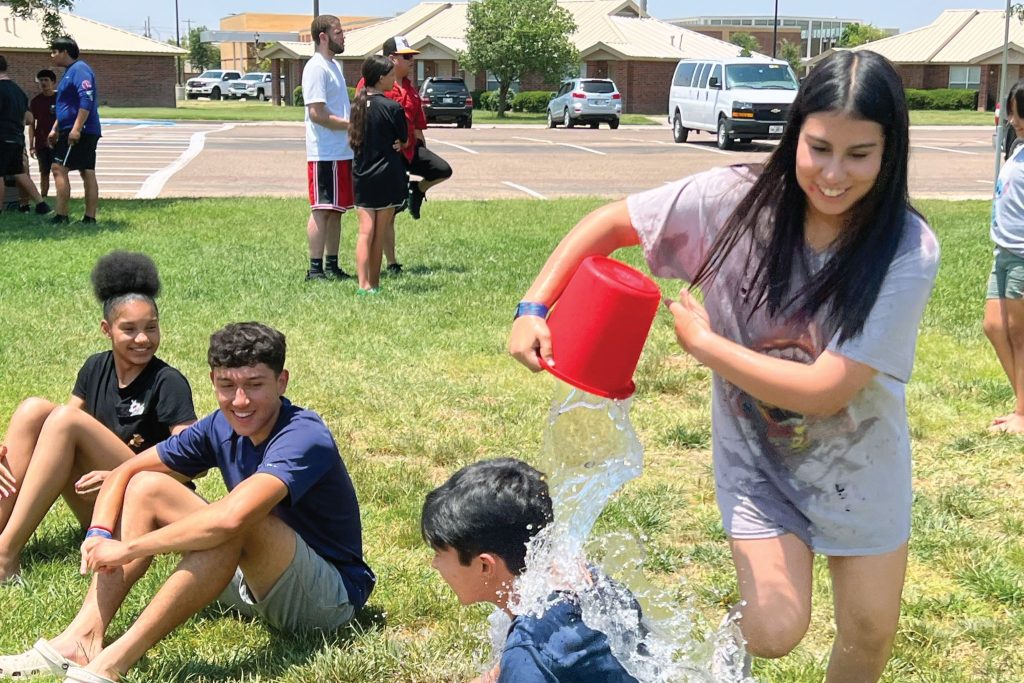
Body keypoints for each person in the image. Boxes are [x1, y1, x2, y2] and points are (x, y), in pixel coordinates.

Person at [508, 50, 940, 681]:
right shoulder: (729, 203)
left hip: (860, 463)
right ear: (795, 134)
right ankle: (723, 659)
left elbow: (827, 389)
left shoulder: (906, 247)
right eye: (819, 147)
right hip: (758, 459)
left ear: (889, 151)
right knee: (773, 627)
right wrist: (534, 306)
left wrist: (707, 346)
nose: (834, 174)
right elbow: (609, 224)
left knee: (870, 630)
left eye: (859, 154)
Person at [0, 322, 375, 682]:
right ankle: (81, 639)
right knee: (148, 485)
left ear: (282, 381)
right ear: (213, 381)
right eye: (227, 385)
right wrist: (99, 533)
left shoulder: (305, 435)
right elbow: (124, 473)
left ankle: (111, 664)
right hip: (252, 581)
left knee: (234, 522)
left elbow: (231, 519)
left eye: (255, 385)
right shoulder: (219, 425)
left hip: (327, 601)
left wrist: (128, 548)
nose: (240, 400)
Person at [0, 251, 196, 584]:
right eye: (129, 329)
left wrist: (118, 474)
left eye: (151, 327)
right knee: (34, 409)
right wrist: (8, 449)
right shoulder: (95, 367)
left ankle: (5, 556)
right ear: (107, 329)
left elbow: (194, 462)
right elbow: (51, 435)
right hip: (100, 503)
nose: (143, 338)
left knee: (65, 420)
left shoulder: (168, 381)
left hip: (146, 508)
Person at [422, 458, 639, 683]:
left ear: (485, 566)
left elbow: (532, 656)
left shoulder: (527, 656)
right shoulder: (575, 583)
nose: (434, 564)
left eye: (439, 553)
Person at [357, 36, 454, 272]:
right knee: (388, 212)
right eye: (407, 57)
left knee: (442, 169)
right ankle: (390, 263)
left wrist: (419, 144)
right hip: (387, 156)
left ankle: (417, 190)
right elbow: (362, 119)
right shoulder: (370, 85)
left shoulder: (410, 88)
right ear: (391, 59)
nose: (412, 61)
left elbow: (418, 124)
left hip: (411, 150)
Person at [983, 78, 1024, 433]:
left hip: (1022, 257)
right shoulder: (1018, 148)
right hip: (1003, 251)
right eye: (1011, 114)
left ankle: (1023, 414)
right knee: (995, 327)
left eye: (1018, 114)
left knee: (1019, 333)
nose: (1014, 121)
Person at [301, 15, 355, 282]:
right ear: (323, 36)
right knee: (322, 209)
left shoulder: (334, 66)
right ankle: (315, 269)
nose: (343, 36)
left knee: (337, 210)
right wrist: (351, 125)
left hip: (341, 152)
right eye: (338, 32)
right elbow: (316, 113)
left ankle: (332, 265)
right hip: (324, 153)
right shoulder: (316, 67)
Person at [350, 56, 408, 294]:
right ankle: (374, 284)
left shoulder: (357, 105)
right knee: (379, 232)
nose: (394, 81)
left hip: (362, 174)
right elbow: (403, 140)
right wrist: (400, 144)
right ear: (381, 78)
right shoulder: (393, 107)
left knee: (365, 231)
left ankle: (361, 285)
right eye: (391, 76)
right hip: (386, 174)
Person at [48, 37, 101, 225]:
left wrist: (76, 129)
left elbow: (86, 100)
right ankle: (89, 218)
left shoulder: (80, 70)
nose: (51, 55)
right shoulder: (70, 72)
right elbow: (66, 105)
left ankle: (61, 216)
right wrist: (55, 128)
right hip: (70, 128)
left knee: (58, 168)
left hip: (81, 129)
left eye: (54, 51)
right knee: (86, 171)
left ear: (65, 52)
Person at [0, 54, 51, 216]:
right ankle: (42, 204)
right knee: (18, 172)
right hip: (16, 138)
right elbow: (29, 119)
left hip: (2, 137)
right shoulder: (18, 90)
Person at [28, 68, 57, 199]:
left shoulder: (60, 99)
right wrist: (32, 145)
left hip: (57, 141)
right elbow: (31, 125)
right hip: (41, 142)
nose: (43, 83)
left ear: (53, 82)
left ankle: (61, 196)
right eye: (41, 80)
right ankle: (43, 197)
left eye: (46, 80)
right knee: (44, 172)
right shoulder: (35, 101)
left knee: (58, 171)